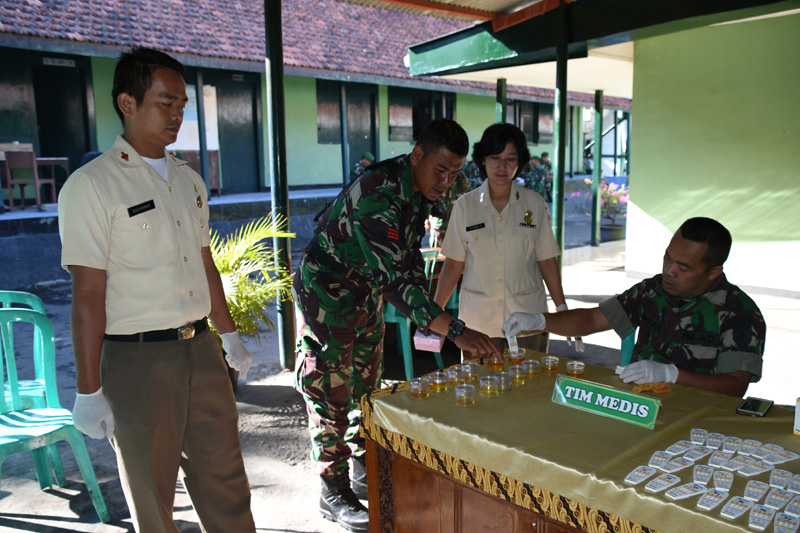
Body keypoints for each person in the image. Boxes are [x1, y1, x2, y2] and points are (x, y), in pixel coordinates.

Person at [58, 47, 256, 532]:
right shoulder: (92, 186)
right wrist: (88, 390)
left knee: (227, 482)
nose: (177, 115)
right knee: (153, 498)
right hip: (137, 361)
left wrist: (229, 335)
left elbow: (204, 262)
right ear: (127, 103)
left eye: (182, 104)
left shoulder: (188, 181)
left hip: (202, 351)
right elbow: (87, 294)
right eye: (165, 102)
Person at [293, 118, 500, 532]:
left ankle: (361, 469)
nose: (446, 181)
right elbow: (395, 280)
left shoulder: (423, 187)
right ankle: (331, 489)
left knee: (366, 385)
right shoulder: (378, 191)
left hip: (365, 292)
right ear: (417, 155)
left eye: (454, 172)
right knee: (331, 388)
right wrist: (453, 329)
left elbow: (410, 256)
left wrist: (432, 310)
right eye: (440, 170)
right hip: (327, 294)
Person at [504, 217, 766, 398]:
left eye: (683, 267)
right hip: (640, 405)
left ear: (713, 272)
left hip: (697, 418)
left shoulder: (739, 313)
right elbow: (594, 319)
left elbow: (735, 386)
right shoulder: (653, 290)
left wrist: (672, 374)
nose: (669, 271)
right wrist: (540, 321)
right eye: (667, 258)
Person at [434, 123, 583, 358]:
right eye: (495, 157)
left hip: (528, 321)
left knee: (530, 380)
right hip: (478, 326)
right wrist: (434, 315)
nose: (502, 166)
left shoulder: (534, 204)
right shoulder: (465, 206)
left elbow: (546, 261)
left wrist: (562, 309)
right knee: (480, 382)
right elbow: (453, 265)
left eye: (510, 159)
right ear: (483, 159)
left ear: (519, 161)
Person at [425, 170, 470, 247]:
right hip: (439, 227)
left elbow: (468, 199)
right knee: (438, 253)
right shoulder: (437, 173)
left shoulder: (461, 177)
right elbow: (428, 199)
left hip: (456, 228)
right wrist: (426, 219)